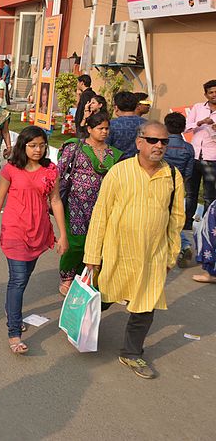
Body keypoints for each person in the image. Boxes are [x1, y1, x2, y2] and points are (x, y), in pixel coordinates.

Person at [83, 121, 184, 379]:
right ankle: (81, 327)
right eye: (153, 140)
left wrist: (172, 254)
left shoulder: (172, 175)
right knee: (102, 297)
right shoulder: (119, 172)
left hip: (153, 256)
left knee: (145, 306)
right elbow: (100, 214)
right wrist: (93, 256)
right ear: (139, 142)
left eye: (163, 142)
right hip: (118, 253)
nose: (159, 146)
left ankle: (132, 354)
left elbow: (176, 219)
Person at [0, 126, 68, 354]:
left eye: (42, 145)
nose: (38, 149)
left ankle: (10, 308)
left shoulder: (51, 170)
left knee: (24, 277)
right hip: (14, 231)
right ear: (23, 146)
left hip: (39, 231)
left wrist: (63, 235)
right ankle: (14, 332)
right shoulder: (11, 169)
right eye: (33, 145)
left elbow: (56, 201)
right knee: (18, 280)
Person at [57, 112, 122, 295]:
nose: (104, 132)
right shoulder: (75, 147)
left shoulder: (113, 154)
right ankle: (67, 275)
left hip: (102, 204)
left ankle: (82, 277)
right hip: (76, 202)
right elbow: (59, 172)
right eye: (100, 128)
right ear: (89, 129)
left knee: (94, 244)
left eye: (107, 128)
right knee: (76, 243)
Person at [162, 112, 195, 267]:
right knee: (174, 218)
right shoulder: (188, 148)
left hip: (160, 184)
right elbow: (189, 173)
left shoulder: (161, 145)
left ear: (165, 126)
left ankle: (183, 244)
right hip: (178, 185)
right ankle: (184, 244)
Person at [183, 79, 216, 231]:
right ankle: (187, 224)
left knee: (210, 195)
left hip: (212, 158)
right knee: (191, 193)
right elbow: (185, 127)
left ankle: (208, 226)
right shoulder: (197, 107)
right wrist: (200, 122)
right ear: (206, 94)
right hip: (195, 155)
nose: (214, 95)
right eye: (211, 92)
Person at [107, 91, 146, 159]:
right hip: (139, 165)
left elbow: (104, 147)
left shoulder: (111, 125)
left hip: (116, 165)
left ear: (116, 107)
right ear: (136, 106)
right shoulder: (147, 125)